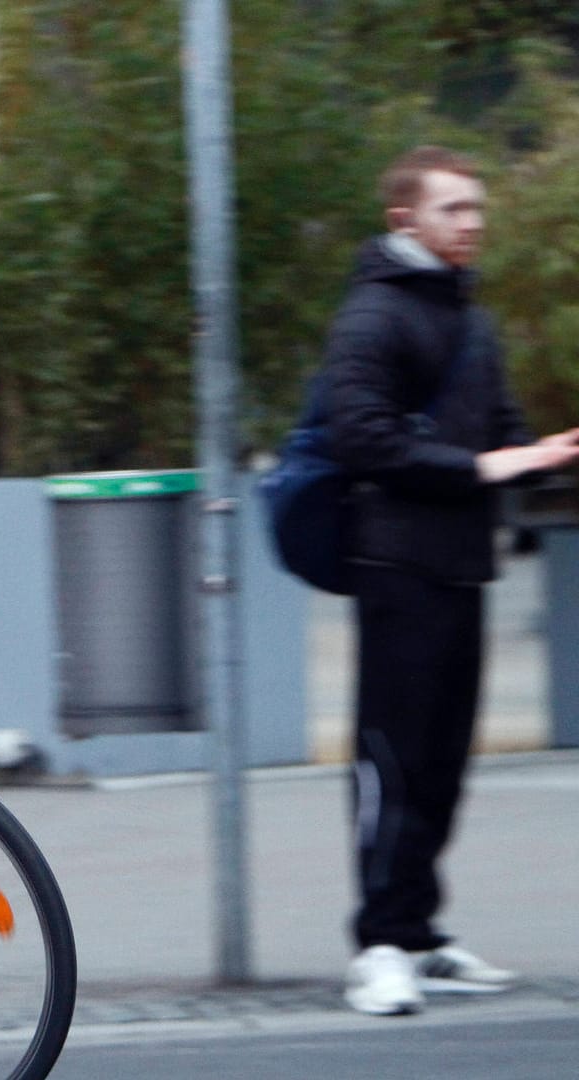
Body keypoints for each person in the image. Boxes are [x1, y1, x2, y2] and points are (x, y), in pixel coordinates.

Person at [323, 145, 579, 1016]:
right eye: (454, 209)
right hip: (397, 571)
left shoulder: (473, 321)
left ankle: (422, 934)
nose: (473, 222)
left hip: (463, 569)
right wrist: (484, 466)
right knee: (392, 765)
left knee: (441, 768)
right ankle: (378, 947)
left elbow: (505, 440)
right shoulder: (372, 316)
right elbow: (363, 439)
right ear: (407, 221)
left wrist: (547, 459)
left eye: (477, 207)